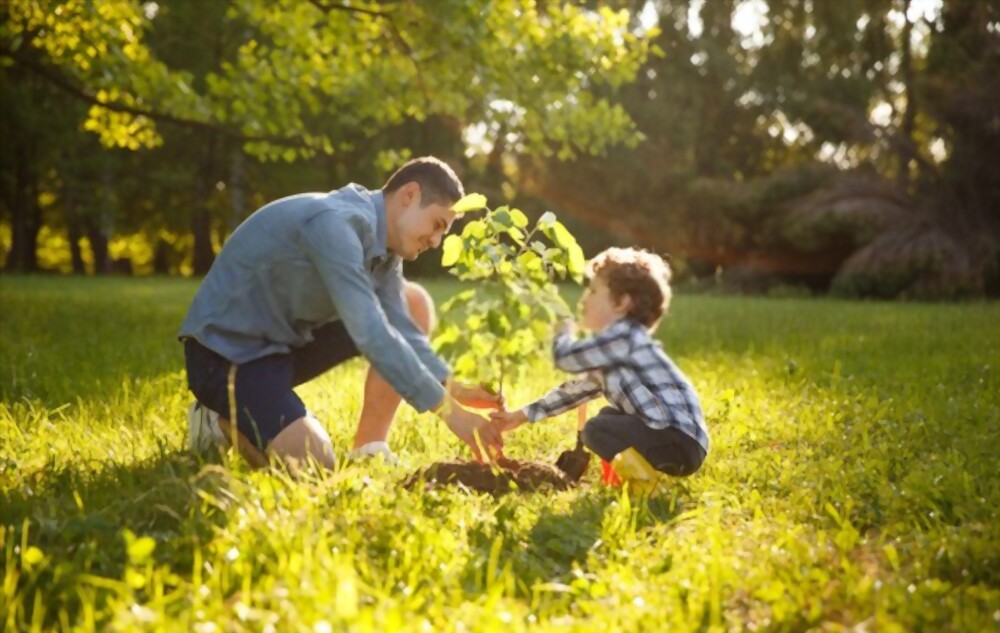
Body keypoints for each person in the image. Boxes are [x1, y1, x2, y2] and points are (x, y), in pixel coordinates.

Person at [179, 156, 504, 469]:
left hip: (280, 348)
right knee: (314, 464)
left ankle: (370, 448)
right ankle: (215, 421)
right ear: (410, 194)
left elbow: (402, 329)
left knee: (412, 301)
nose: (435, 240)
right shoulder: (336, 223)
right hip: (225, 357)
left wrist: (453, 386)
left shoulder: (388, 251)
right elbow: (372, 331)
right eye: (437, 225)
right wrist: (452, 414)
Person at [487, 247, 709, 480]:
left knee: (596, 430)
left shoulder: (622, 339)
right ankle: (621, 478)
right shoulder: (617, 350)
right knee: (607, 417)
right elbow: (575, 391)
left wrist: (562, 331)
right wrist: (520, 416)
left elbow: (565, 357)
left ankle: (643, 485)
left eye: (593, 291)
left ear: (621, 303)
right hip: (682, 441)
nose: (584, 300)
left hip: (676, 439)